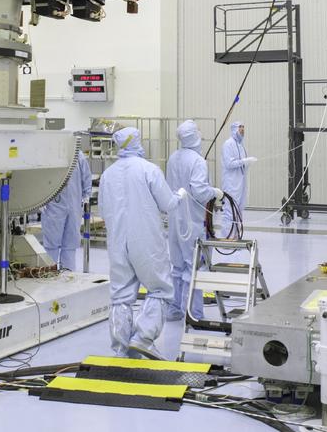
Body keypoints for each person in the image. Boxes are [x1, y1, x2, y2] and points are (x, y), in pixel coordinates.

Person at [98, 127, 187, 357]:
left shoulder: (108, 175)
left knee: (120, 295)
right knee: (160, 288)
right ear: (137, 142)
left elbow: (102, 208)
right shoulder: (149, 170)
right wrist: (179, 196)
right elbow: (167, 204)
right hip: (146, 241)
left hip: (117, 242)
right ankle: (143, 338)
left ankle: (120, 347)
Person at [166, 120, 223, 323]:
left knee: (177, 266)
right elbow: (199, 192)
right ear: (194, 136)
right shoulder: (198, 161)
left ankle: (174, 309)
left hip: (175, 220)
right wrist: (213, 191)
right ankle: (194, 313)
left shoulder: (173, 158)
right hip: (192, 222)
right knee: (194, 267)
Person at [40, 148, 92, 271]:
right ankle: (49, 273)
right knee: (51, 243)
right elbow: (40, 178)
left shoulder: (77, 156)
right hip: (53, 204)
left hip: (74, 204)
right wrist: (40, 198)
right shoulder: (48, 155)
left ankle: (68, 274)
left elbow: (86, 176)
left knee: (70, 243)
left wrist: (87, 195)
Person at [220, 122, 256, 225]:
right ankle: (228, 237)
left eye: (243, 127)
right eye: (240, 127)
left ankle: (235, 236)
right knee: (230, 210)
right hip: (231, 184)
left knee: (239, 210)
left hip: (240, 184)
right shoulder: (228, 144)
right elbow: (229, 163)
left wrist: (247, 163)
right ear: (234, 130)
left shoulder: (241, 146)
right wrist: (245, 161)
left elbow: (241, 163)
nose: (242, 130)